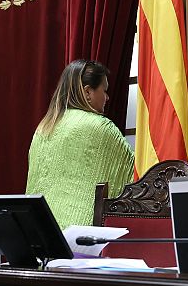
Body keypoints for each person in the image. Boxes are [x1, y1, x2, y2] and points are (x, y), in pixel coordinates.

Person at [25, 59, 134, 229]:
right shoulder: (101, 127)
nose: (107, 97)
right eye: (104, 90)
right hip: (81, 239)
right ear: (88, 92)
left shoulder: (43, 127)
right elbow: (134, 178)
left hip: (39, 233)